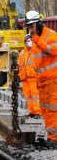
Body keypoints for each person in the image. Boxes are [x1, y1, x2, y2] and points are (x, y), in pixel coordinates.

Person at [25, 10, 57, 146]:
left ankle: (54, 138)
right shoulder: (35, 38)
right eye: (28, 27)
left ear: (39, 24)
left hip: (52, 79)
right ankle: (51, 135)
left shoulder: (50, 35)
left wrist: (37, 40)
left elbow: (53, 50)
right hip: (42, 80)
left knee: (52, 109)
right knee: (45, 110)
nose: (30, 29)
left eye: (32, 26)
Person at [18, 34, 41, 118]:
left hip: (33, 77)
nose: (29, 42)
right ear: (25, 42)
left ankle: (37, 112)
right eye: (27, 41)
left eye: (30, 40)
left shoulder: (36, 51)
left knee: (35, 95)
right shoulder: (22, 53)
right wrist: (19, 75)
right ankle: (32, 111)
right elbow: (19, 65)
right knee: (28, 96)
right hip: (24, 78)